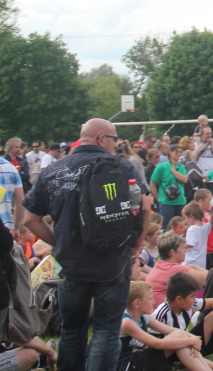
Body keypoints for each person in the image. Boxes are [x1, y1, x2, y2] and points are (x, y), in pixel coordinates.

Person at [24, 118, 152, 371]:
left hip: (71, 264)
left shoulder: (54, 170)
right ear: (101, 139)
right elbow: (146, 207)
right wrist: (136, 246)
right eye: (115, 139)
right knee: (106, 329)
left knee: (72, 330)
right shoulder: (122, 166)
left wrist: (59, 242)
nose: (116, 145)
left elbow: (30, 219)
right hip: (113, 261)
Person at [152, 272, 213, 370]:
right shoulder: (161, 314)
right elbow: (154, 345)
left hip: (188, 344)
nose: (195, 299)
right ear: (179, 299)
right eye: (192, 296)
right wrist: (188, 343)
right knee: (181, 344)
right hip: (170, 352)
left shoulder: (187, 304)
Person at [119, 280, 213, 371]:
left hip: (141, 358)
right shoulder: (127, 323)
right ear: (137, 303)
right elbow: (156, 344)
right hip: (128, 363)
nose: (154, 302)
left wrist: (194, 339)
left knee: (178, 336)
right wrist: (191, 341)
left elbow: (173, 331)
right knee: (179, 341)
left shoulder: (144, 317)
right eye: (150, 299)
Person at [147, 232, 209, 305]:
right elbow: (209, 279)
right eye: (182, 248)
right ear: (172, 252)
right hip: (166, 313)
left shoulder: (160, 265)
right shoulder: (175, 269)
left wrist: (194, 266)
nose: (185, 251)